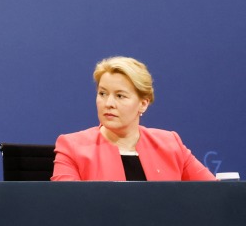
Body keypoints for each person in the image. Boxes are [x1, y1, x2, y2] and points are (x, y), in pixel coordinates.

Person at [51, 56, 213, 181]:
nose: (109, 103)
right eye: (102, 93)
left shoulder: (170, 144)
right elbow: (66, 209)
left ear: (143, 103)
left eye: (120, 96)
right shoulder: (71, 147)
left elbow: (217, 193)